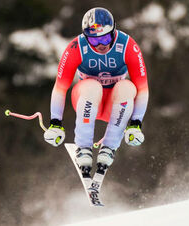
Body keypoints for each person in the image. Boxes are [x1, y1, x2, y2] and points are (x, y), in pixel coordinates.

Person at [43, 7, 149, 177]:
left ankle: (109, 148)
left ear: (114, 31)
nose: (100, 45)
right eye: (93, 41)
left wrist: (136, 124)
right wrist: (56, 123)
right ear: (86, 38)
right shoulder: (76, 47)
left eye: (106, 38)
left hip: (114, 106)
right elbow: (60, 88)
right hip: (87, 100)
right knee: (92, 86)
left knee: (128, 87)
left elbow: (143, 89)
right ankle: (83, 148)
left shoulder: (128, 45)